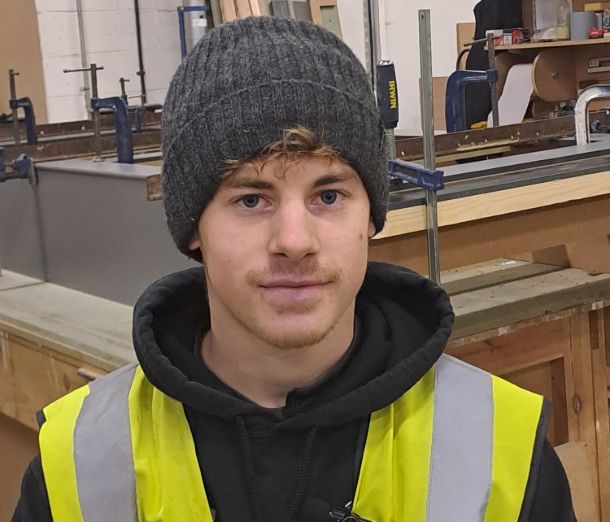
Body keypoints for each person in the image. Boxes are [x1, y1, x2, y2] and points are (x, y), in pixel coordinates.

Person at [13, 16, 575, 522]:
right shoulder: (80, 467)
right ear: (192, 229)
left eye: (328, 195)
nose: (294, 241)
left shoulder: (502, 453)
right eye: (251, 199)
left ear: (371, 217)